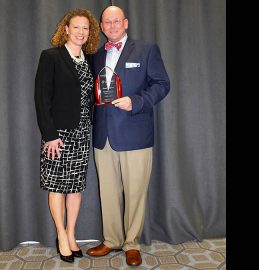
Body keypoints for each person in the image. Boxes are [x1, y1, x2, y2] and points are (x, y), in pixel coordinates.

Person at [86, 5, 170, 267]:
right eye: (106, 22)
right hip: (103, 136)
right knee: (108, 192)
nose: (111, 26)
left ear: (125, 23)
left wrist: (136, 101)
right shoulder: (96, 56)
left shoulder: (146, 49)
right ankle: (111, 240)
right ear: (101, 27)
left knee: (135, 192)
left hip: (135, 133)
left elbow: (162, 84)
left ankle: (131, 243)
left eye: (115, 21)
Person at [34, 7, 100, 263]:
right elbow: (41, 99)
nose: (81, 32)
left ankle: (72, 233)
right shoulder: (51, 57)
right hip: (58, 135)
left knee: (75, 187)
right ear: (66, 29)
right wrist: (49, 135)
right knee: (57, 187)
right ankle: (61, 235)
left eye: (86, 28)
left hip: (83, 132)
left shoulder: (90, 59)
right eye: (77, 27)